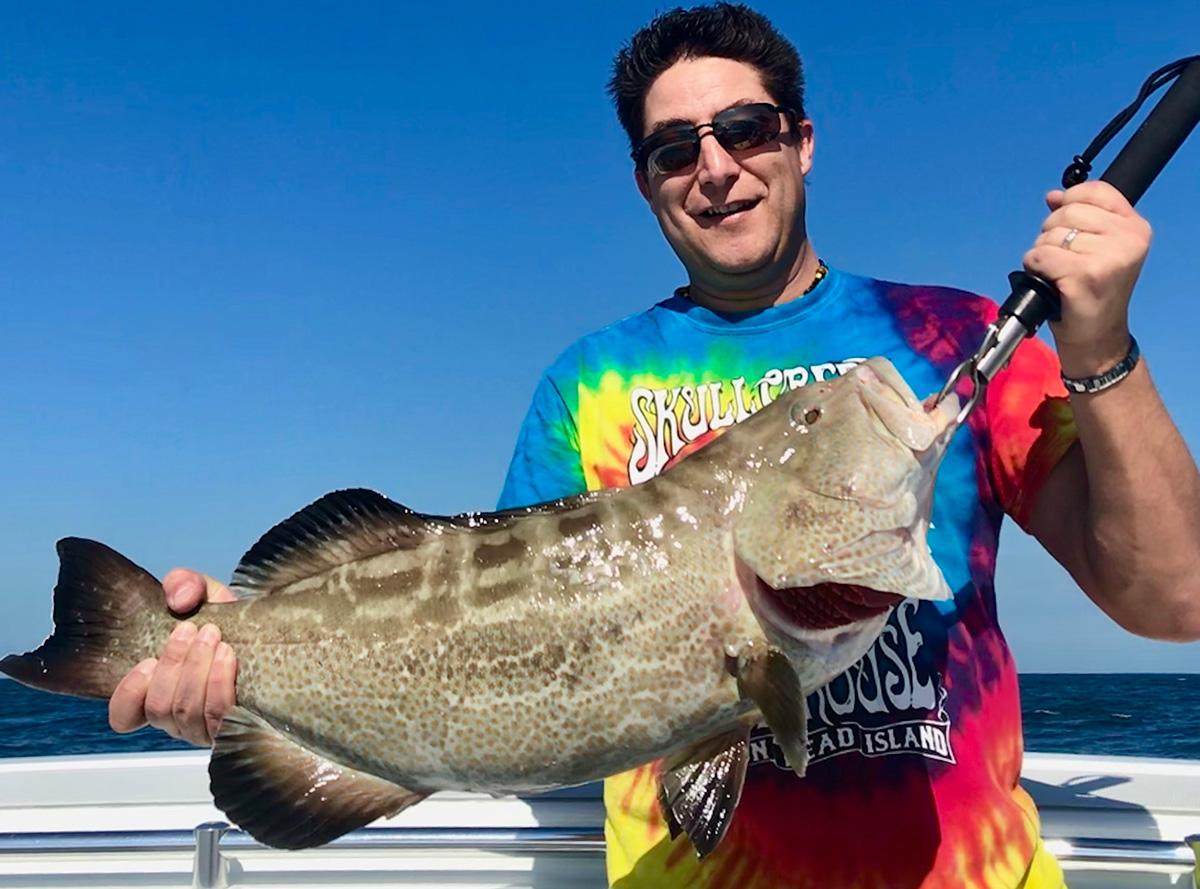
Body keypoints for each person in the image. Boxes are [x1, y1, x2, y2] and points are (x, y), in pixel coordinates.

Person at [108, 5, 1200, 887]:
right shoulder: (585, 384)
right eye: (675, 148)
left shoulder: (954, 339)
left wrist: (1100, 346)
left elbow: (1177, 600)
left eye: (748, 129)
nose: (714, 167)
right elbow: (486, 643)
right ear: (645, 180)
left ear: (803, 140)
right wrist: (248, 661)